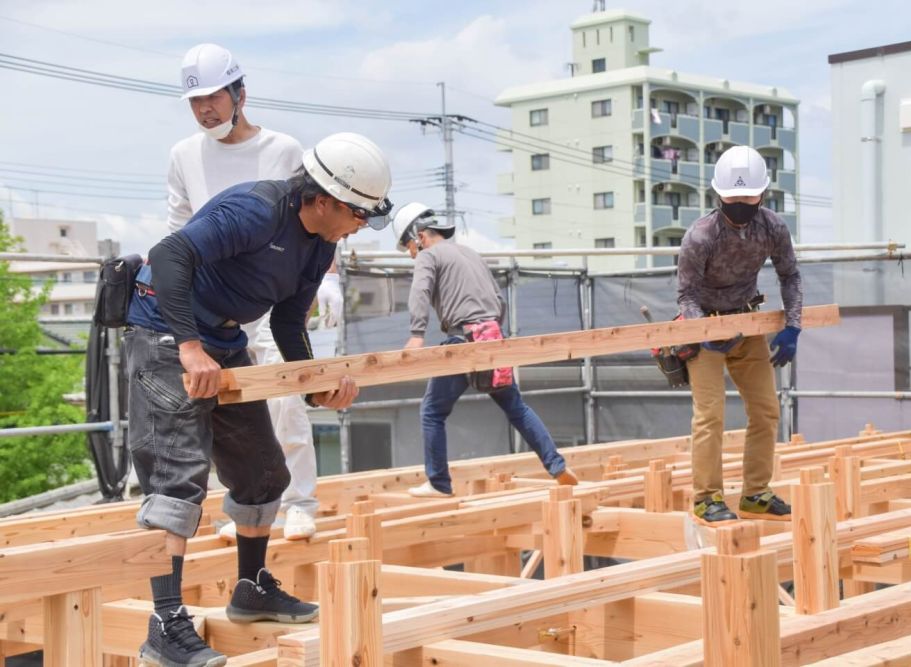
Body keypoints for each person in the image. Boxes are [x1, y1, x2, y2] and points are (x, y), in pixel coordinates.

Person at [126, 132, 392, 667]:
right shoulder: (257, 210)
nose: (362, 226)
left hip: (222, 340)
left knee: (265, 473)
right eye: (360, 215)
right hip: (163, 332)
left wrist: (317, 386)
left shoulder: (322, 243)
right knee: (178, 479)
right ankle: (165, 625)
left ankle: (250, 588)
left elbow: (290, 322)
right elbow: (169, 253)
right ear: (325, 200)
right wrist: (190, 347)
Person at [169, 43, 320, 541]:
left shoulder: (282, 150)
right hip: (213, 302)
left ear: (240, 93)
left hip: (273, 295)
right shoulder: (184, 155)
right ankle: (245, 507)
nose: (204, 108)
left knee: (287, 399)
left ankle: (300, 502)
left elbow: (315, 221)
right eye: (195, 101)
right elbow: (177, 231)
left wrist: (327, 284)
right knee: (218, 407)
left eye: (213, 96)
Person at [392, 202, 578, 498]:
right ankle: (556, 465)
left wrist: (416, 334)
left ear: (420, 235)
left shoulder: (429, 256)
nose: (412, 253)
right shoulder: (471, 254)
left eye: (409, 246)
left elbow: (420, 292)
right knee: (516, 408)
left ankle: (439, 483)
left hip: (462, 341)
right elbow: (497, 299)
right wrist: (490, 331)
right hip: (491, 338)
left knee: (431, 411)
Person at [677, 145, 802, 526]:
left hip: (748, 324)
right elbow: (686, 294)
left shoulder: (773, 227)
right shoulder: (701, 236)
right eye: (733, 198)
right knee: (710, 416)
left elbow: (790, 275)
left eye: (748, 197)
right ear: (719, 195)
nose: (741, 205)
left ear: (763, 193)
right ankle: (706, 498)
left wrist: (793, 325)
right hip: (705, 328)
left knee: (766, 410)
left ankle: (755, 493)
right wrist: (704, 331)